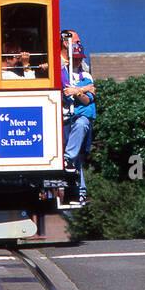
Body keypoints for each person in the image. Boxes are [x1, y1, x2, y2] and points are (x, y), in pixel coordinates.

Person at [60, 33, 95, 206]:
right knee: (74, 158)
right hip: (65, 116)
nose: (77, 61)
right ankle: (77, 193)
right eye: (76, 58)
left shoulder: (86, 75)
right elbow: (66, 90)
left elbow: (88, 99)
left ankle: (78, 192)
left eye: (80, 59)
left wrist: (78, 90)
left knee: (74, 153)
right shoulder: (62, 70)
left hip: (79, 117)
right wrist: (84, 89)